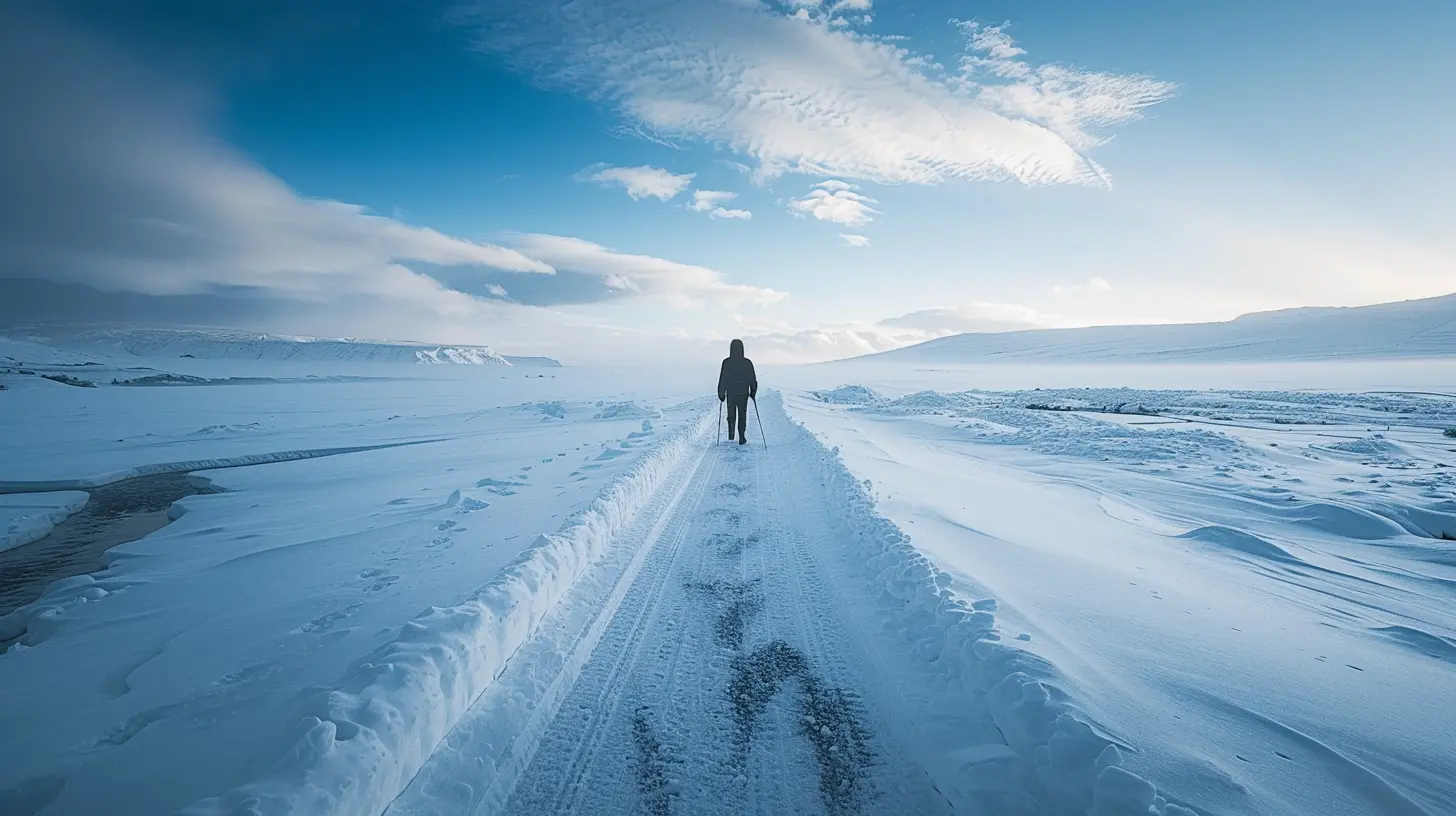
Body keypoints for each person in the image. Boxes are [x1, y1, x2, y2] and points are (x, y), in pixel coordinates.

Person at [717, 338, 757, 444]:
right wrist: (753, 392)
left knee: (731, 415)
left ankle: (731, 435)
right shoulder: (747, 363)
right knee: (742, 415)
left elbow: (723, 378)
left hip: (731, 393)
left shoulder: (726, 362)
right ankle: (742, 436)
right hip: (743, 393)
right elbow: (752, 379)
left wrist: (721, 393)